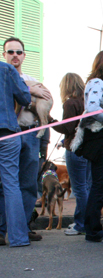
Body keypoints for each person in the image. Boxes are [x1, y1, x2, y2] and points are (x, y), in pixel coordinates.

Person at [0, 37, 52, 243]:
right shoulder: (9, 77)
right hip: (10, 133)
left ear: (24, 55)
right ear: (4, 54)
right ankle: (6, 230)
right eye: (10, 52)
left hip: (29, 133)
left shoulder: (32, 78)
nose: (15, 55)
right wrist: (29, 91)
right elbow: (23, 96)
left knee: (28, 183)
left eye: (18, 52)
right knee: (6, 185)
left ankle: (22, 227)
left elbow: (46, 105)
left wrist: (31, 101)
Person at [74, 51, 103, 243]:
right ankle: (94, 230)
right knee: (101, 187)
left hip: (102, 140)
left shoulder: (95, 84)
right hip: (101, 139)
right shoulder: (97, 83)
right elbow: (92, 109)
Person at [53, 73, 91, 236]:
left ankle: (80, 224)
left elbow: (68, 128)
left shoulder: (70, 103)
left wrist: (50, 122)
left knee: (79, 189)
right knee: (87, 187)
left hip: (74, 149)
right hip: (87, 149)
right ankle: (86, 222)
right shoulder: (86, 102)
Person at [0, 62, 32, 247]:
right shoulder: (6, 69)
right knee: (11, 184)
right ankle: (18, 238)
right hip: (8, 133)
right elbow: (25, 98)